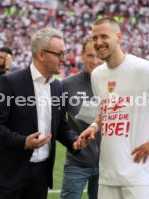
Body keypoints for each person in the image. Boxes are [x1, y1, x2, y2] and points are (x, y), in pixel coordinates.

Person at [79, 17, 149, 199]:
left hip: (138, 176)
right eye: (94, 38)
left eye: (104, 36)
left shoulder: (144, 69)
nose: (98, 42)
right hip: (108, 175)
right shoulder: (97, 75)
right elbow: (105, 110)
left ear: (119, 37)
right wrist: (94, 126)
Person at [0, 27, 87, 199]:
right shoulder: (10, 82)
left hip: (41, 175)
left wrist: (74, 141)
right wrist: (24, 142)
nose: (64, 59)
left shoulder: (58, 87)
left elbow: (60, 125)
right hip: (10, 172)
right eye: (59, 54)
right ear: (41, 54)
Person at [60, 36, 103, 199]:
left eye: (99, 55)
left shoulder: (114, 85)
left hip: (107, 165)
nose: (95, 61)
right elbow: (59, 124)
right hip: (76, 163)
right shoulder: (67, 85)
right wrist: (73, 142)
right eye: (90, 55)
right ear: (82, 55)